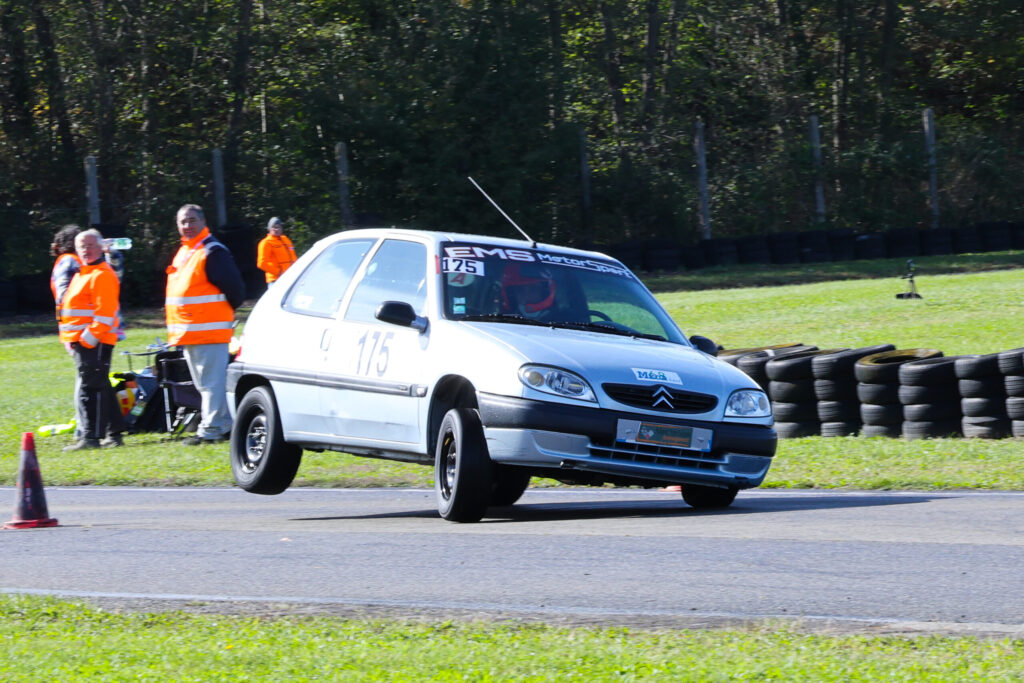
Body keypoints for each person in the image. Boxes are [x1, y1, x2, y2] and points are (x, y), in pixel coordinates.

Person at [165, 204, 245, 445]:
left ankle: (210, 431)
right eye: (183, 221)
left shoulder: (212, 251)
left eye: (192, 220)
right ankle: (223, 426)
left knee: (211, 384)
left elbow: (236, 291)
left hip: (209, 331)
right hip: (191, 332)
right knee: (205, 384)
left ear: (203, 222)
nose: (187, 225)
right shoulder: (186, 251)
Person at [59, 229, 125, 450]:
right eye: (81, 247)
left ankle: (91, 437)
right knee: (101, 385)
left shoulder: (101, 274)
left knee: (91, 389)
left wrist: (88, 340)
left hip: (94, 341)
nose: (85, 250)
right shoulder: (84, 272)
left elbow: (105, 313)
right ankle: (115, 433)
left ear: (100, 247)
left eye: (90, 246)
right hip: (85, 340)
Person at [256, 216, 297, 283]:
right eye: (274, 227)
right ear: (269, 228)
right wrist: (279, 272)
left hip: (292, 277)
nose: (276, 229)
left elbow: (294, 257)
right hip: (276, 280)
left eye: (279, 227)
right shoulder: (265, 243)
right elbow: (261, 263)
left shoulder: (286, 239)